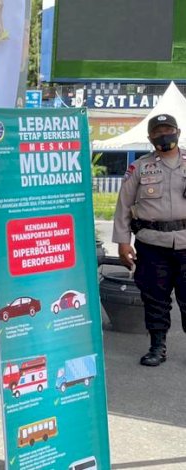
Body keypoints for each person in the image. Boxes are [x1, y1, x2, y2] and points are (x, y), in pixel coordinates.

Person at [113, 113, 186, 367]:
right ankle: (158, 348)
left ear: (177, 131)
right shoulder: (140, 167)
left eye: (168, 130)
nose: (163, 135)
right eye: (157, 132)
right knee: (155, 300)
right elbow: (123, 207)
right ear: (150, 137)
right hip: (152, 245)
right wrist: (123, 242)